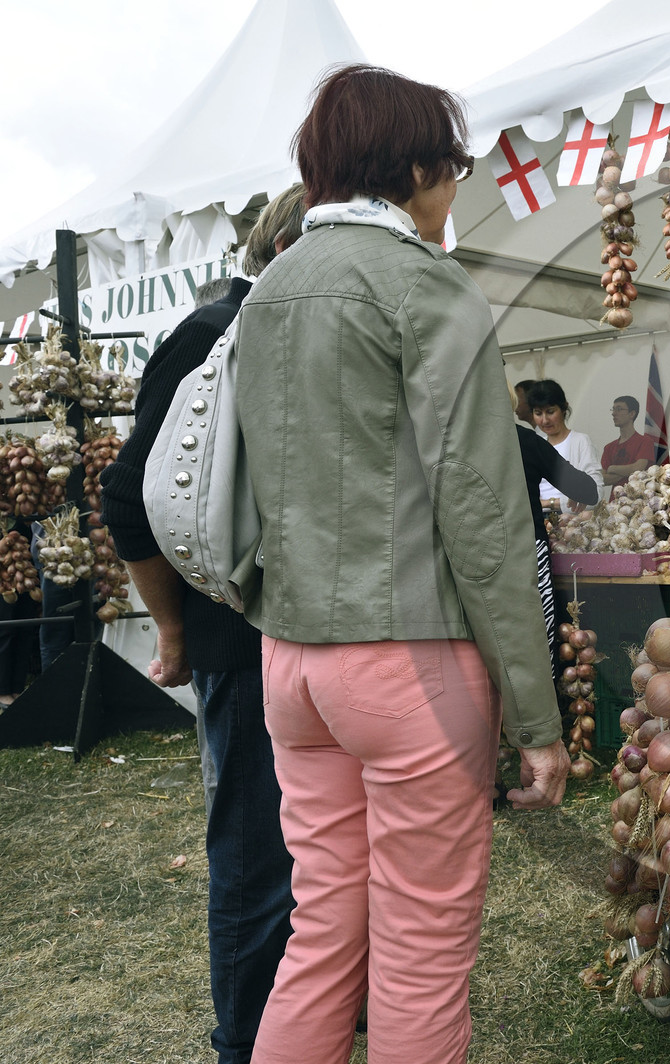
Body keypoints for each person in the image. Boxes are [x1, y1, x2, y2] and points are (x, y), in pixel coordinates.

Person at [231, 65, 567, 1064]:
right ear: (417, 168)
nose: (456, 187)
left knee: (323, 928)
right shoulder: (427, 285)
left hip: (292, 660)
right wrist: (537, 719)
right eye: (455, 166)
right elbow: (484, 516)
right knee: (421, 947)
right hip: (413, 657)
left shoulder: (271, 289)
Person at [99, 183, 307, 1064]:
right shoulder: (212, 334)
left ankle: (315, 1011)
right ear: (299, 247)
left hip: (315, 642)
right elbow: (127, 496)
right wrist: (175, 638)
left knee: (317, 854)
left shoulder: (308, 336)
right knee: (260, 854)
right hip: (243, 642)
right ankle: (246, 1040)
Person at [514, 416, 599, 657]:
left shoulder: (456, 444)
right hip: (525, 551)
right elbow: (586, 490)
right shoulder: (523, 440)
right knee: (536, 641)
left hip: (474, 556)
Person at [515, 378, 601, 511]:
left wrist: (548, 503)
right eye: (538, 413)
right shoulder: (535, 444)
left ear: (564, 408)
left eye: (550, 412)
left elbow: (596, 494)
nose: (545, 420)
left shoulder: (581, 441)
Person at [600, 394, 656, 488]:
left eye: (619, 409)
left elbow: (638, 468)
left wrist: (612, 468)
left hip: (638, 500)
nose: (614, 413)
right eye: (613, 409)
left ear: (632, 414)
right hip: (615, 501)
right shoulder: (609, 447)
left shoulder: (645, 442)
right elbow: (602, 479)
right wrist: (627, 472)